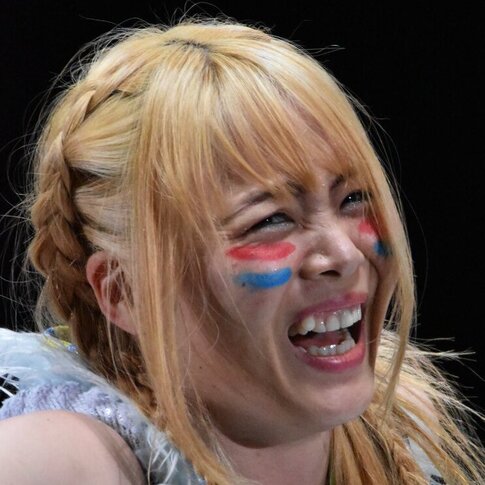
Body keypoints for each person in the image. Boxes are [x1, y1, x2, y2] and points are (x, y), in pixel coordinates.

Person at [0, 19, 483, 484]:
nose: (345, 255)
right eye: (269, 220)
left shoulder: (407, 424)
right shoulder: (68, 458)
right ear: (125, 291)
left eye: (353, 198)